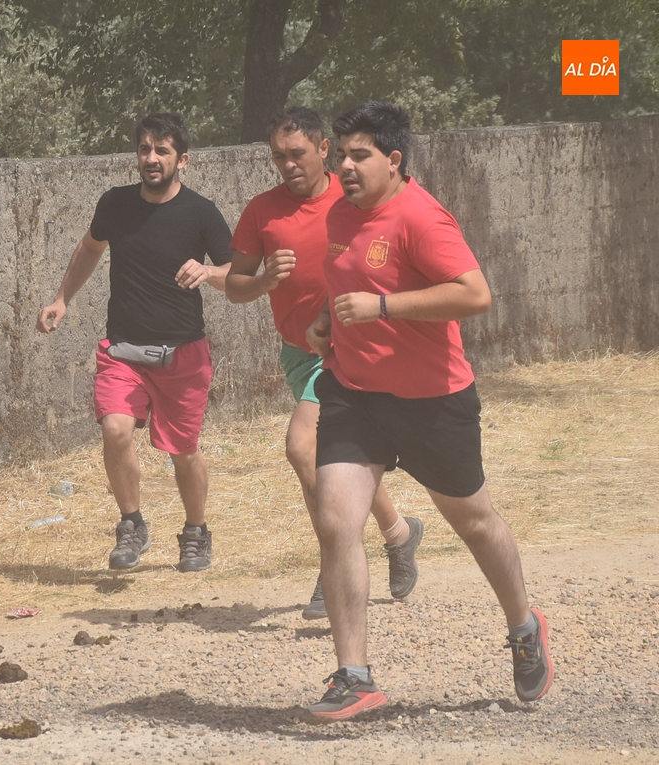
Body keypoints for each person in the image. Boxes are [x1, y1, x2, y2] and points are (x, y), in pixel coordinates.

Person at [303, 101, 552, 720]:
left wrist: (384, 307)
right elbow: (344, 281)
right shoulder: (339, 213)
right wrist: (325, 320)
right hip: (354, 394)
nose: (345, 166)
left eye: (360, 155)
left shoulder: (421, 216)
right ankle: (354, 675)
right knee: (336, 520)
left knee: (475, 522)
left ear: (394, 159)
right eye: (341, 155)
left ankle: (524, 626)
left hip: (432, 402)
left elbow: (475, 294)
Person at [225, 107, 423, 620]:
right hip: (298, 354)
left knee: (303, 446)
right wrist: (264, 281)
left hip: (345, 348)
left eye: (297, 154)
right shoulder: (261, 211)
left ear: (323, 150)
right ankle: (399, 533)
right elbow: (235, 287)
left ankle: (332, 563)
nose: (287, 165)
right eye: (278, 157)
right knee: (341, 457)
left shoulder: (351, 196)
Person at [36, 113, 233, 573]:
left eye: (162, 150)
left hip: (183, 353)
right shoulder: (115, 204)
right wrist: (62, 298)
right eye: (145, 149)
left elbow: (238, 274)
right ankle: (132, 524)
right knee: (115, 429)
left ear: (182, 160)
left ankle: (196, 531)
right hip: (122, 349)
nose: (151, 158)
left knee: (183, 451)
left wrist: (208, 271)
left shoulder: (201, 212)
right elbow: (90, 247)